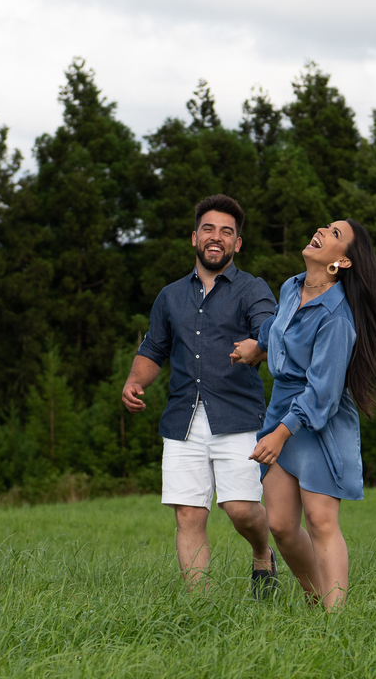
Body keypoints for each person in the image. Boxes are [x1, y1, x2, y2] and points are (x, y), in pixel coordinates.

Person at [230, 219, 376, 610]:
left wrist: (280, 433)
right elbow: (279, 324)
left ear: (342, 262)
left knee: (321, 521)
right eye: (327, 227)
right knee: (280, 524)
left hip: (319, 423)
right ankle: (317, 600)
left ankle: (336, 620)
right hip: (281, 412)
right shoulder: (292, 287)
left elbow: (323, 394)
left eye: (335, 234)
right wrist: (257, 346)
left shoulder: (337, 317)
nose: (323, 231)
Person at [122, 194, 278, 593]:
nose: (216, 237)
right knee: (188, 515)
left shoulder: (252, 289)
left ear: (237, 243)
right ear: (195, 237)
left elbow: (270, 332)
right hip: (182, 419)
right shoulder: (170, 296)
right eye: (208, 229)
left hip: (238, 416)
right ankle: (200, 605)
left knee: (240, 509)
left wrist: (257, 346)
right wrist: (135, 381)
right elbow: (153, 349)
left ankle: (263, 553)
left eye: (226, 232)